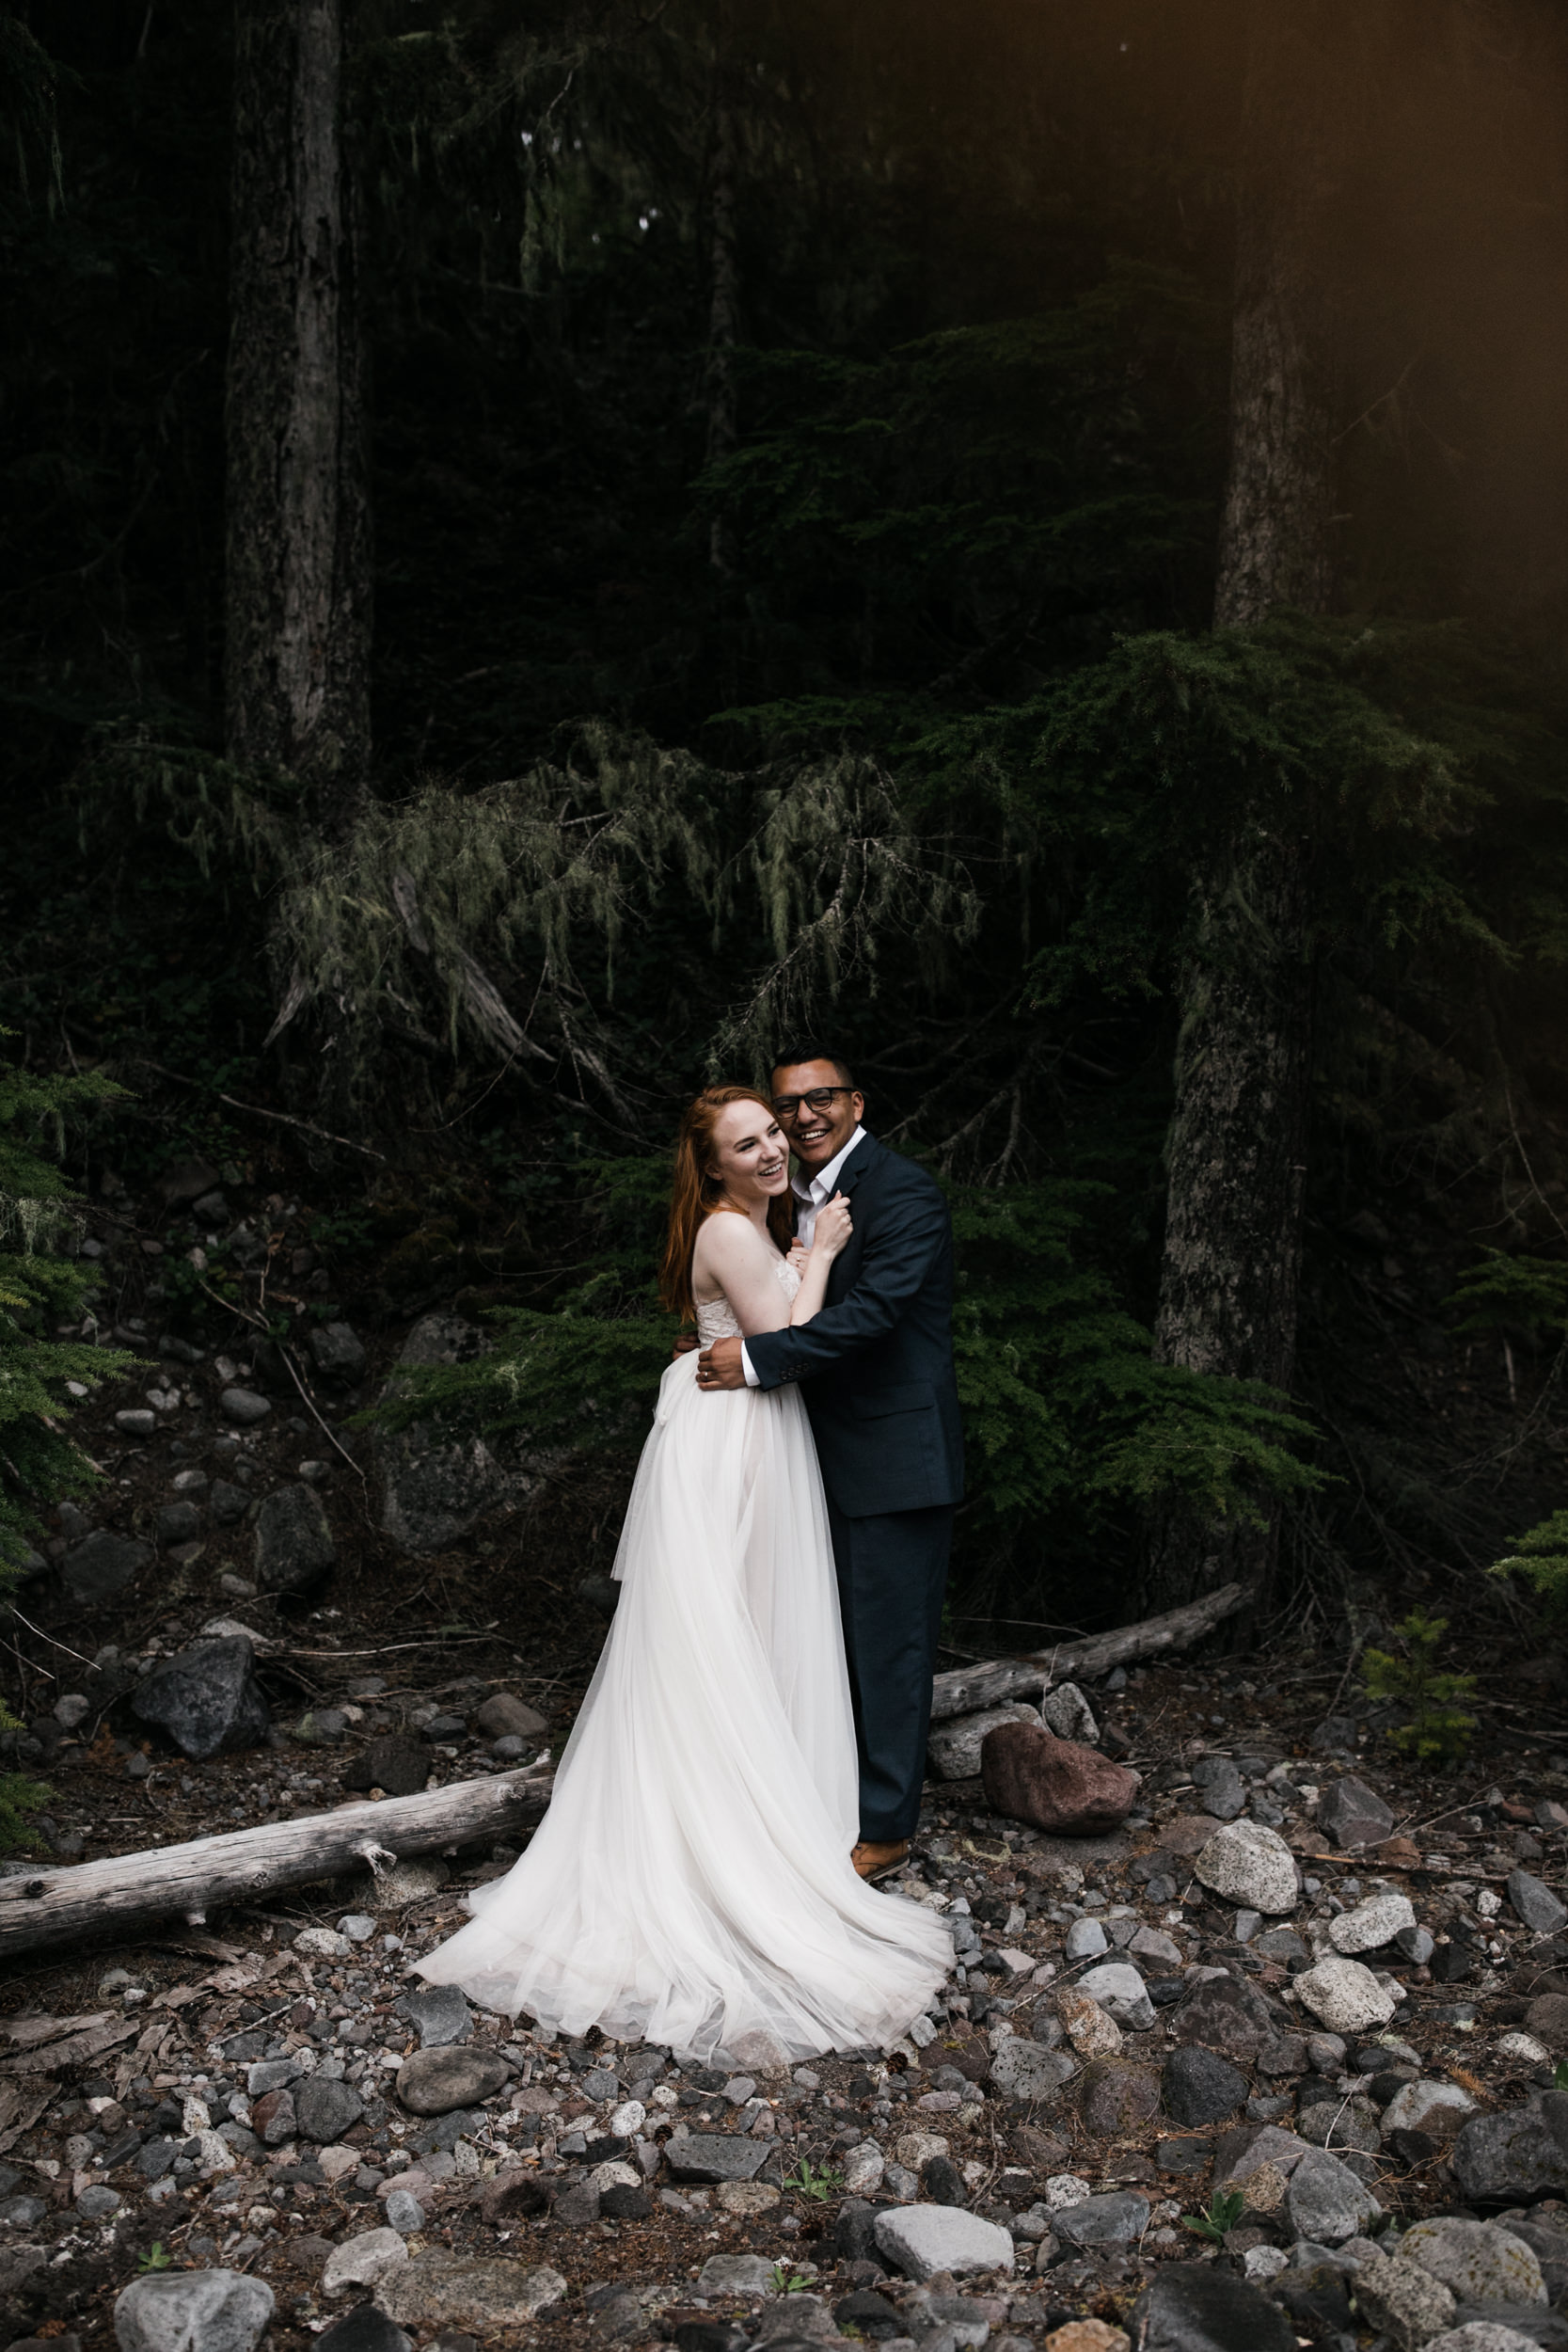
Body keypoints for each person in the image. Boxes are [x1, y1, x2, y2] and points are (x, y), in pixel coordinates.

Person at [413, 1084, 950, 2063]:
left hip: (733, 1426)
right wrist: (820, 1254)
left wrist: (791, 1257)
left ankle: (754, 1822)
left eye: (770, 1135)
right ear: (711, 1165)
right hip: (739, 1433)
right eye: (745, 1144)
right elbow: (786, 1336)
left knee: (726, 1632)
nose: (769, 1151)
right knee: (728, 1630)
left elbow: (751, 1319)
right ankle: (731, 1846)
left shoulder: (740, 1225)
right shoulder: (735, 1232)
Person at [696, 1048, 961, 1884]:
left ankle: (884, 1830)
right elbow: (758, 1289)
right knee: (815, 1638)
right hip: (801, 1455)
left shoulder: (903, 1190)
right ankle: (813, 1803)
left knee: (888, 1644)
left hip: (891, 1454)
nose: (803, 1117)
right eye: (787, 1106)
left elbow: (877, 1315)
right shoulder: (783, 1200)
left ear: (856, 1100)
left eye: (821, 1099)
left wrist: (753, 1360)